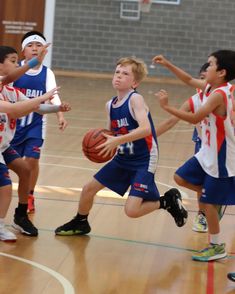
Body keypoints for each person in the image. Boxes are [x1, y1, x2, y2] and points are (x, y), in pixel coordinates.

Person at [54, 56, 188, 236]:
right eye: (117, 72)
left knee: (131, 210)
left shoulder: (136, 100)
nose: (118, 76)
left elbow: (146, 129)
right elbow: (111, 133)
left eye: (125, 74)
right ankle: (81, 222)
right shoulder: (110, 105)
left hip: (144, 159)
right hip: (123, 157)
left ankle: (166, 201)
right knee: (88, 189)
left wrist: (117, 141)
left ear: (135, 82)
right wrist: (102, 145)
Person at [155, 50, 235, 261]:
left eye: (210, 64)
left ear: (222, 72)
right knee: (180, 177)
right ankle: (216, 196)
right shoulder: (212, 86)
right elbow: (189, 80)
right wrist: (167, 64)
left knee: (207, 203)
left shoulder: (220, 94)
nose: (205, 67)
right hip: (206, 152)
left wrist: (167, 107)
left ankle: (217, 246)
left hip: (221, 157)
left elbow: (195, 118)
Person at [0, 45, 71, 238]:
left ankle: (21, 215)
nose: (18, 65)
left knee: (25, 171)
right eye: (13, 61)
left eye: (17, 61)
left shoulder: (9, 90)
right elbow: (15, 110)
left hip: (3, 145)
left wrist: (57, 109)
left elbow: (37, 107)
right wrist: (44, 95)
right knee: (5, 186)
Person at [12, 30, 68, 213]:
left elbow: (54, 95)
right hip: (12, 126)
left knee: (32, 161)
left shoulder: (47, 73)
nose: (35, 48)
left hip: (35, 125)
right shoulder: (15, 71)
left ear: (44, 50)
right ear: (23, 52)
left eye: (38, 45)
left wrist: (60, 114)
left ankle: (29, 195)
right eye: (30, 45)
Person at [155, 63, 209, 233]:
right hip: (204, 146)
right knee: (188, 179)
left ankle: (213, 201)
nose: (202, 83)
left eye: (206, 79)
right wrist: (147, 137)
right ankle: (203, 214)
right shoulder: (194, 101)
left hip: (226, 147)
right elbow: (171, 121)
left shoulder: (223, 97)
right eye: (201, 78)